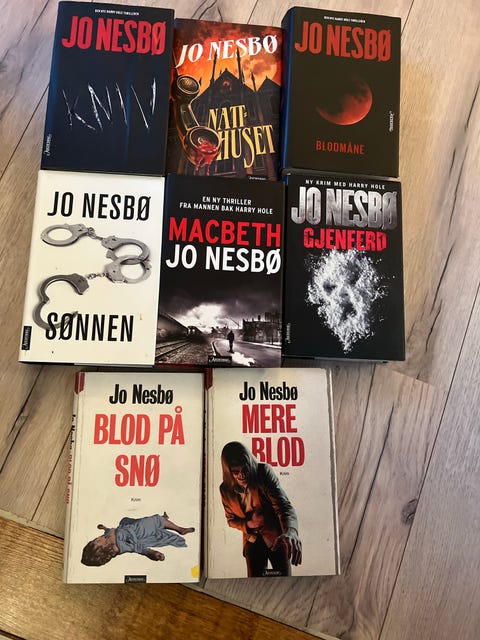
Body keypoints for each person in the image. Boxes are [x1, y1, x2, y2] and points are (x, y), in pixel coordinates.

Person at [219, 441, 302, 577]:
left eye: (245, 469)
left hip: (277, 538)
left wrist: (291, 531)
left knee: (284, 579)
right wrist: (248, 524)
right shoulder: (225, 490)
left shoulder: (263, 472)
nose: (242, 475)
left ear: (249, 463)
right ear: (228, 472)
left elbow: (283, 505)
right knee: (255, 582)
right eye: (235, 472)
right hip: (252, 541)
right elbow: (231, 520)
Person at [81, 512, 195, 566]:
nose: (98, 538)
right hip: (138, 532)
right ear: (101, 549)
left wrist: (104, 528)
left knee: (127, 520)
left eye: (95, 539)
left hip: (130, 525)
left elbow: (110, 531)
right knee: (155, 520)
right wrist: (152, 553)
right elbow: (135, 548)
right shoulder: (118, 547)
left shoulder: (106, 537)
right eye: (97, 541)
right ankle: (180, 529)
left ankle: (163, 520)